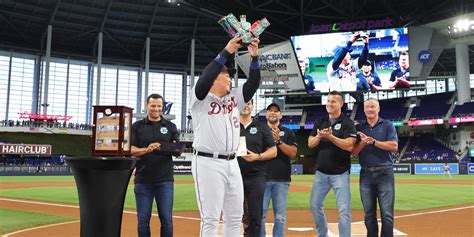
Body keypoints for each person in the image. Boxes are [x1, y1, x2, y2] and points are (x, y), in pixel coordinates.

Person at [189, 35, 261, 237]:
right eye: (226, 75)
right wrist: (227, 51)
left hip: (232, 163)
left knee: (235, 217)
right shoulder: (200, 98)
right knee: (211, 218)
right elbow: (204, 77)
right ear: (214, 80)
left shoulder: (233, 99)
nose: (230, 78)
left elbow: (253, 84)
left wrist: (255, 58)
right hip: (207, 161)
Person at [307, 90, 357, 237]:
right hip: (321, 172)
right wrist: (319, 136)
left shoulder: (347, 123)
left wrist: (331, 137)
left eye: (333, 101)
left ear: (341, 104)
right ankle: (322, 235)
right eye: (328, 101)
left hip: (340, 173)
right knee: (315, 205)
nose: (329, 104)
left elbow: (349, 145)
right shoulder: (321, 121)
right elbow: (310, 143)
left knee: (344, 210)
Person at [131, 93, 179, 237]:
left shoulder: (170, 126)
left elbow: (177, 148)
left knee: (166, 219)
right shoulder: (137, 126)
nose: (156, 109)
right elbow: (131, 150)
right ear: (147, 106)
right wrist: (147, 149)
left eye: (159, 106)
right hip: (143, 180)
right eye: (153, 106)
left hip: (165, 180)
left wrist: (164, 147)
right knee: (143, 220)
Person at [351, 98, 398, 237]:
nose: (370, 109)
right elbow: (353, 152)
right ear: (364, 110)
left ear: (378, 109)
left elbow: (394, 146)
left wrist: (373, 142)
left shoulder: (387, 125)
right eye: (367, 107)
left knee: (387, 214)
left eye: (373, 106)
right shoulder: (359, 127)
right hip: (366, 173)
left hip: (385, 172)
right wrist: (363, 143)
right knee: (369, 214)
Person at [238, 99, 277, 237]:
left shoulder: (261, 127)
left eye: (249, 103)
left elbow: (273, 151)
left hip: (256, 176)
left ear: (252, 106)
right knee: (236, 215)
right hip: (235, 176)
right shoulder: (231, 125)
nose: (246, 106)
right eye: (243, 103)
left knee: (255, 215)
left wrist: (258, 156)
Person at [261, 102, 298, 237]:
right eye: (270, 110)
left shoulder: (288, 132)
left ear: (280, 115)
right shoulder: (260, 131)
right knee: (261, 215)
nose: (273, 113)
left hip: (281, 179)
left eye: (276, 111)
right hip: (262, 178)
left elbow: (293, 152)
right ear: (266, 114)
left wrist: (279, 142)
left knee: (280, 216)